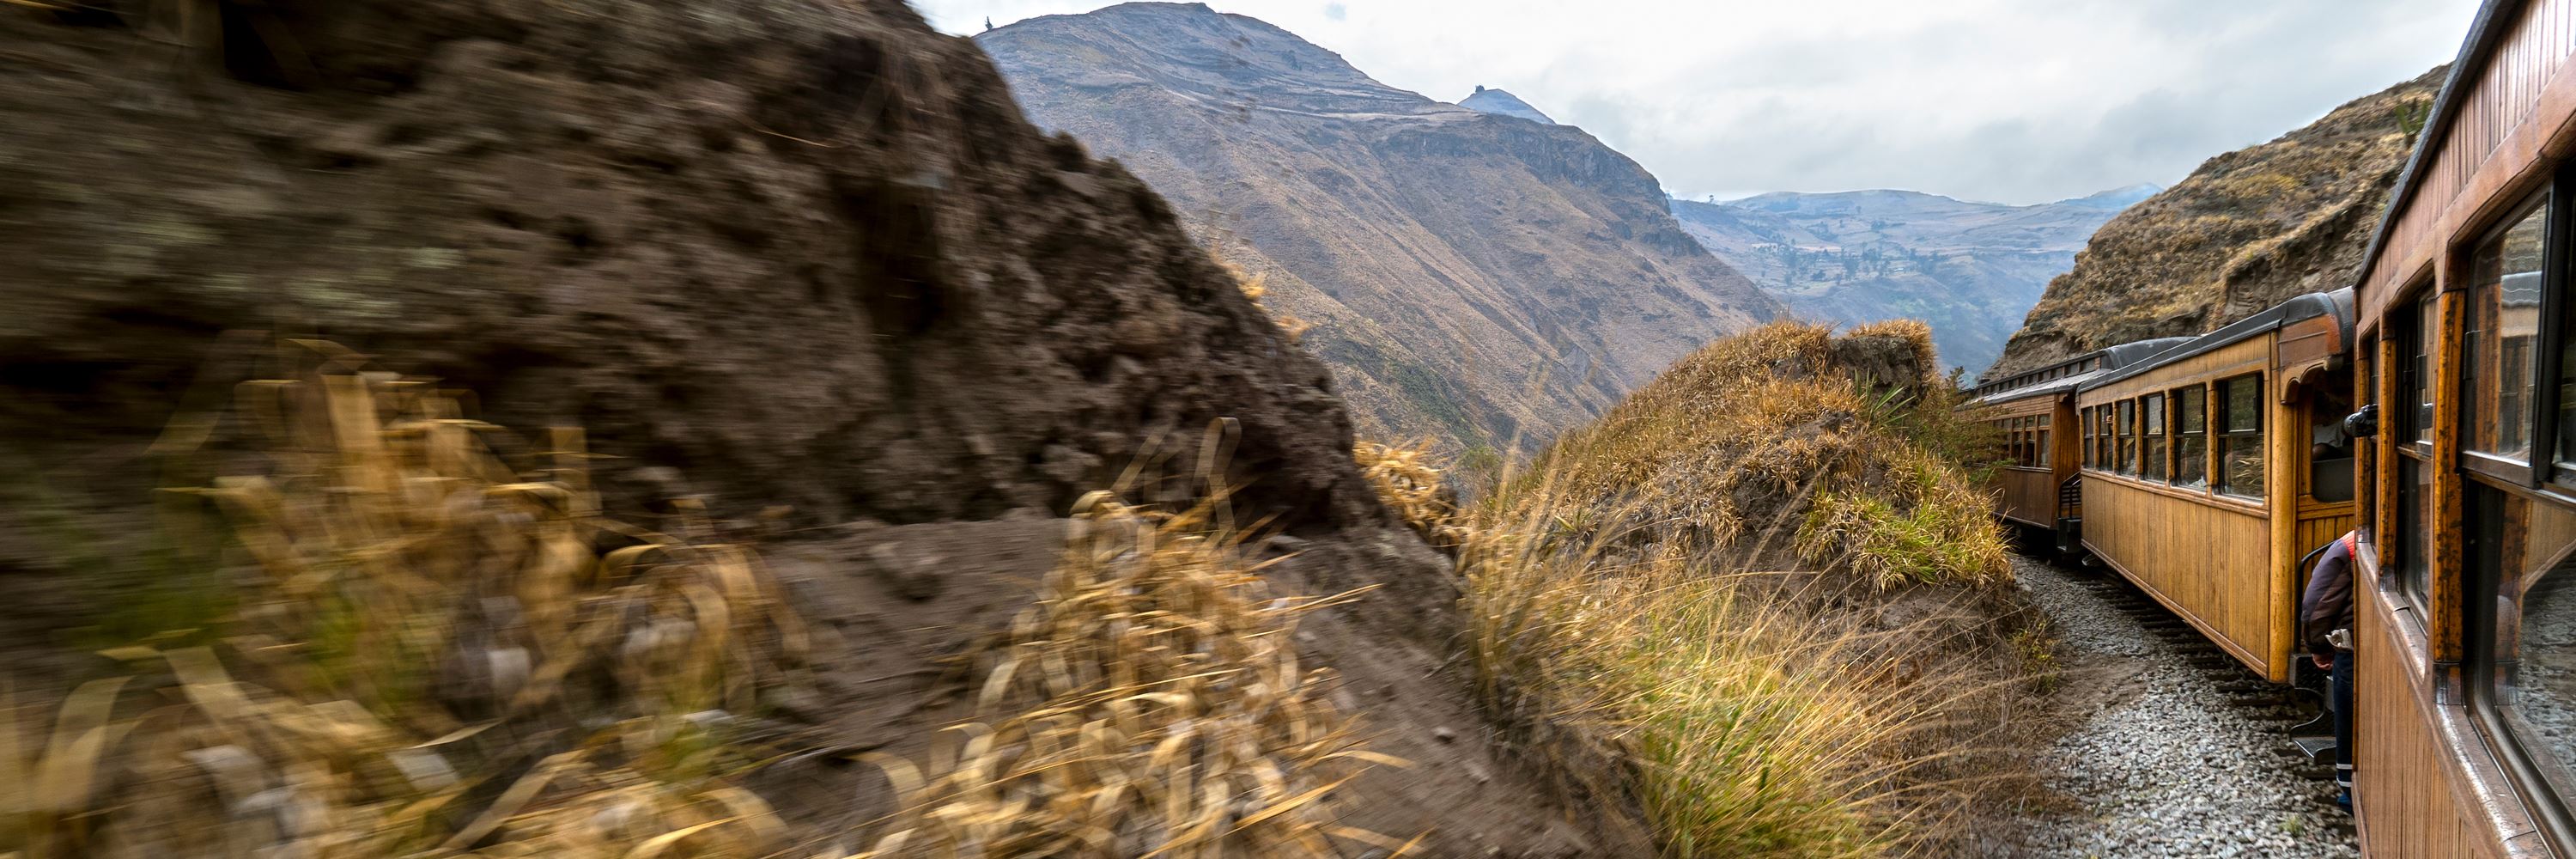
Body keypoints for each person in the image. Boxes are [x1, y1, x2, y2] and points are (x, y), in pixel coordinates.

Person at [2300, 529, 2359, 807]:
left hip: (2352, 647)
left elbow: (2316, 605)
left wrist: (2318, 648)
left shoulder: (2349, 545)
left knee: (2349, 719)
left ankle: (2349, 793)